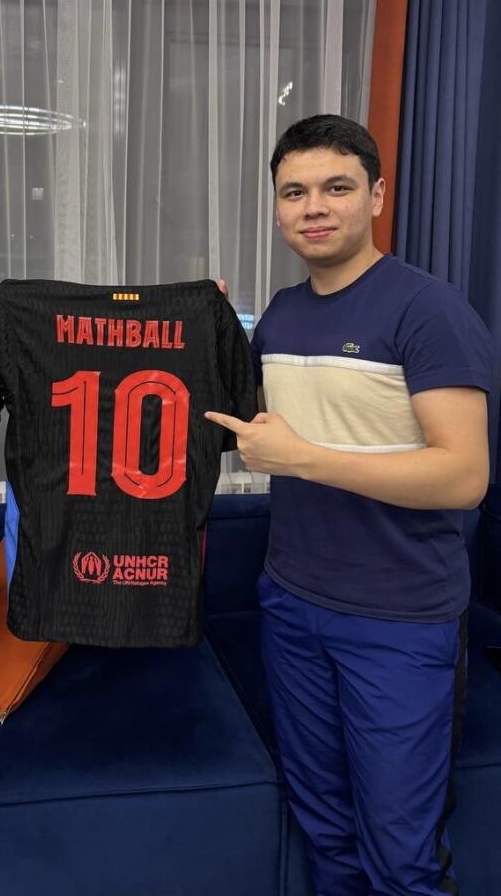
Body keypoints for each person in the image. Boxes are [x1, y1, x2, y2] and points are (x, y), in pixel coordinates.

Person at [206, 114, 495, 896]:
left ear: (375, 195)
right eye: (294, 192)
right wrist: (196, 330)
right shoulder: (283, 312)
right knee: (326, 830)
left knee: (402, 857)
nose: (314, 207)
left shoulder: (426, 309)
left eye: (336, 187)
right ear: (276, 206)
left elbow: (464, 475)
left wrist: (305, 460)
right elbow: (249, 424)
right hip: (292, 601)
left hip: (399, 618)